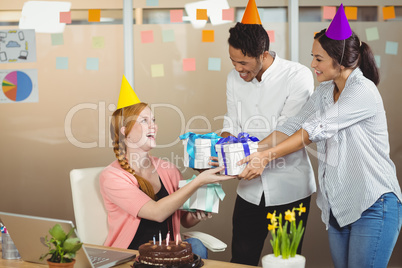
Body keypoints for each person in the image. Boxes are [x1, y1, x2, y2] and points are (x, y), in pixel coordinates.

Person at [238, 4, 402, 268]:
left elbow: (314, 129)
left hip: (373, 203)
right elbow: (293, 125)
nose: (312, 64)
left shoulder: (363, 91)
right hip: (338, 207)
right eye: (312, 56)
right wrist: (250, 151)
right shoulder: (326, 91)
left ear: (341, 59)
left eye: (319, 58)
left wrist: (266, 157)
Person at [219, 0, 316, 265]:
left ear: (262, 54)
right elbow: (232, 122)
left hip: (290, 187)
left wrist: (246, 154)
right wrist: (221, 148)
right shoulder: (233, 78)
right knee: (241, 258)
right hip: (249, 189)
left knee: (285, 260)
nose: (238, 69)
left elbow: (289, 129)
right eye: (233, 61)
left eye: (243, 62)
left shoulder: (297, 76)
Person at [99, 76, 234, 258]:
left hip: (169, 251)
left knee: (197, 246)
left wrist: (196, 213)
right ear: (125, 132)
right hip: (132, 256)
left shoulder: (168, 170)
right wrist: (198, 182)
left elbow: (184, 220)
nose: (153, 126)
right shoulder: (112, 176)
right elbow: (157, 213)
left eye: (153, 120)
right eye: (144, 121)